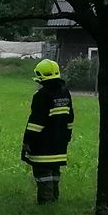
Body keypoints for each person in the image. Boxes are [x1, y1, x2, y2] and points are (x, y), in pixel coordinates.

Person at [21, 59, 75, 203]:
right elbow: (70, 118)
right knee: (54, 171)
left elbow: (36, 123)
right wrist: (67, 137)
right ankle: (54, 198)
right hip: (60, 142)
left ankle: (46, 201)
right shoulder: (65, 92)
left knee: (43, 172)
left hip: (43, 144)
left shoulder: (41, 95)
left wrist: (27, 141)